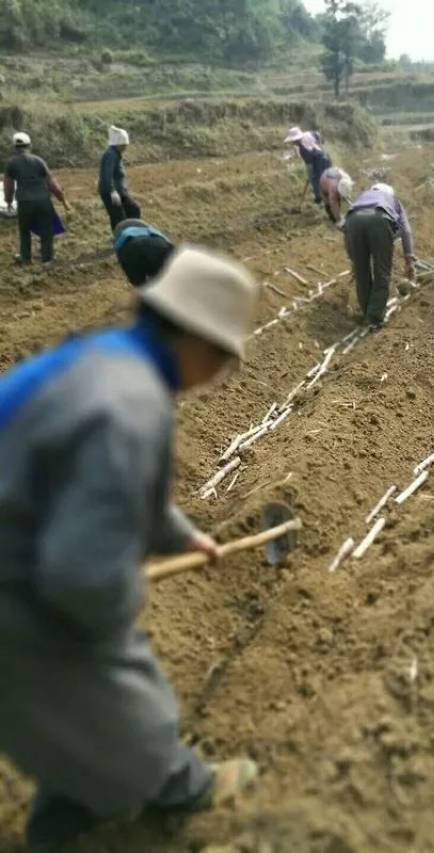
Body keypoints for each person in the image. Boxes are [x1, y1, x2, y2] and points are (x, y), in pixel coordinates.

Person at [0, 246, 260, 852]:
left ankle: (64, 823)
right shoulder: (132, 407)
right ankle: (182, 785)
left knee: (65, 712)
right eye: (223, 359)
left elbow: (102, 484)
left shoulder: (103, 361)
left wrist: (178, 536)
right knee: (125, 697)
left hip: (24, 542)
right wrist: (121, 598)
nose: (219, 374)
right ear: (198, 343)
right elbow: (80, 579)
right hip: (19, 584)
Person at [344, 183, 416, 328]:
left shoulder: (362, 197)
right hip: (379, 218)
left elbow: (346, 235)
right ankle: (374, 317)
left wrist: (354, 260)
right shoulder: (392, 200)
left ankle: (367, 312)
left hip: (353, 220)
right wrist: (409, 258)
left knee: (362, 272)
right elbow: (406, 230)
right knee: (381, 271)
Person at [3, 132, 71, 265]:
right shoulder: (38, 161)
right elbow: (52, 184)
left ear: (15, 147)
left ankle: (25, 258)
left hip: (24, 202)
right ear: (29, 145)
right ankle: (47, 259)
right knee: (46, 229)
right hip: (43, 201)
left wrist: (9, 201)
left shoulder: (11, 163)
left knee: (24, 230)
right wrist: (62, 200)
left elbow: (8, 187)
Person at [98, 125, 141, 233]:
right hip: (110, 192)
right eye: (124, 144)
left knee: (133, 209)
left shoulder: (116, 154)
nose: (126, 147)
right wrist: (112, 191)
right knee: (118, 217)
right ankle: (121, 239)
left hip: (119, 192)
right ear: (118, 143)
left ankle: (132, 234)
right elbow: (106, 175)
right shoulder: (111, 155)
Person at [113, 218, 174, 287]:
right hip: (160, 246)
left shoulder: (121, 242)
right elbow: (170, 246)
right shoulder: (153, 231)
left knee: (141, 285)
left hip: (130, 251)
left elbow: (132, 273)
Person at [284, 126, 333, 205]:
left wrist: (310, 176)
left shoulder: (302, 149)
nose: (292, 142)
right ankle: (335, 193)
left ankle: (319, 200)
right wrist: (320, 145)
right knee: (329, 177)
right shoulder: (309, 134)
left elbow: (309, 165)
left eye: (293, 141)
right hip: (326, 157)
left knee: (315, 179)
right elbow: (320, 137)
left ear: (296, 140)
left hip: (320, 160)